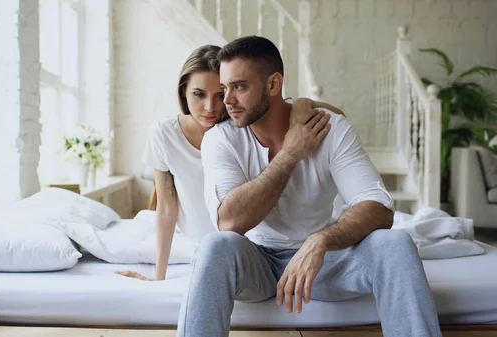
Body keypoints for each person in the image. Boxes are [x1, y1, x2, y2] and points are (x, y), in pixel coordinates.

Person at [176, 36, 441, 337]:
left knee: (395, 244)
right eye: (225, 88)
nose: (227, 101)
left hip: (325, 264)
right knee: (214, 245)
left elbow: (379, 208)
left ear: (273, 84)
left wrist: (320, 242)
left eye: (240, 86)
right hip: (258, 264)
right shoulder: (221, 139)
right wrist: (290, 155)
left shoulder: (329, 128)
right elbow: (230, 222)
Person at [116, 45, 343, 281]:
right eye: (198, 94)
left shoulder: (244, 127)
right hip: (200, 241)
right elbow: (165, 208)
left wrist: (302, 104)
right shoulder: (164, 134)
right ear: (183, 91)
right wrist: (158, 277)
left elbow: (338, 116)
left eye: (220, 95)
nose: (210, 108)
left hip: (250, 242)